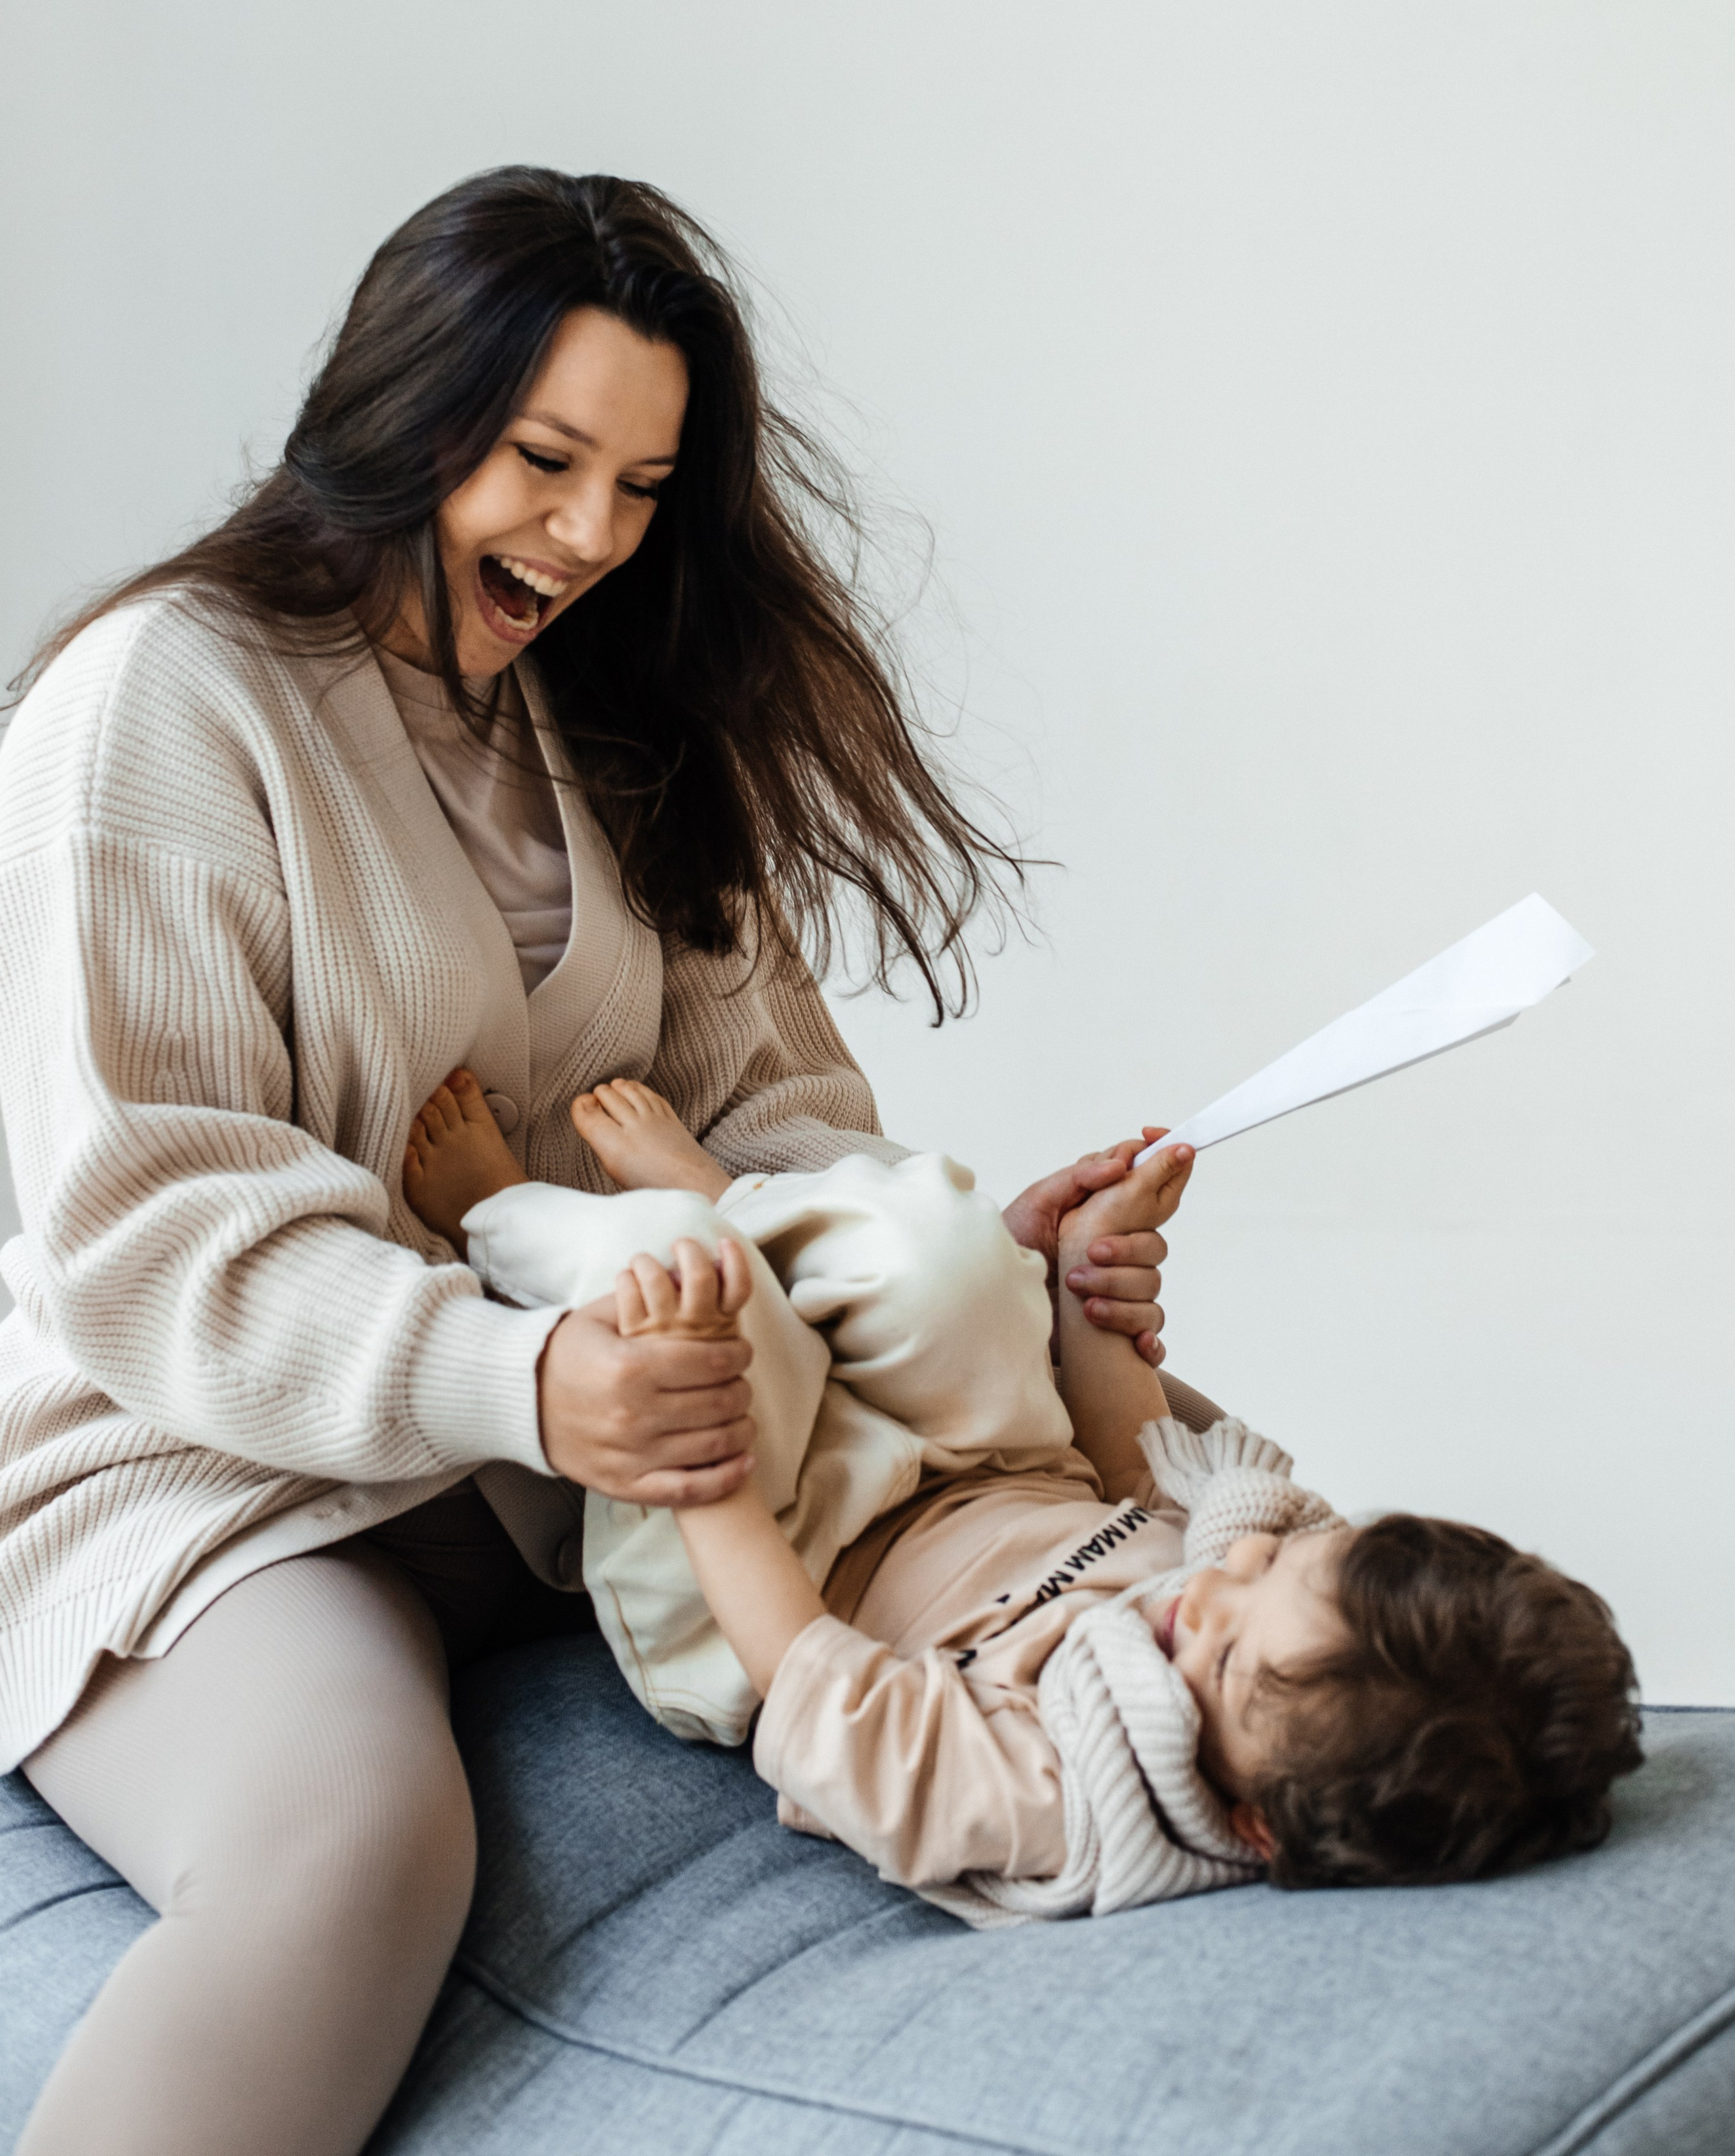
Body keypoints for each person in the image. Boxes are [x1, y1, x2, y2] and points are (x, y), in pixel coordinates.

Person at [0, 170, 1181, 2156]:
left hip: (567, 1473)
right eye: (545, 461)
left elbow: (787, 1120)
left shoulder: (606, 727)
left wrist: (983, 1283)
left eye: (642, 489)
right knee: (354, 1844)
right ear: (401, 409)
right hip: (192, 1456)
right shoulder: (164, 697)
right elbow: (153, 1225)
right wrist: (531, 1376)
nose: (587, 537)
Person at [401, 1068, 1646, 1921]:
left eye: (1224, 1655)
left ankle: (498, 1211)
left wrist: (704, 1462)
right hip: (979, 1463)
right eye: (1269, 1570)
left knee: (680, 1277)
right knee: (948, 1256)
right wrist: (1086, 1280)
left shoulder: (1061, 1800)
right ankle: (744, 1205)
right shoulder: (1244, 1608)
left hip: (768, 1563)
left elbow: (816, 1685)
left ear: (1254, 1827)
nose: (1210, 1592)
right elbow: (1136, 1467)